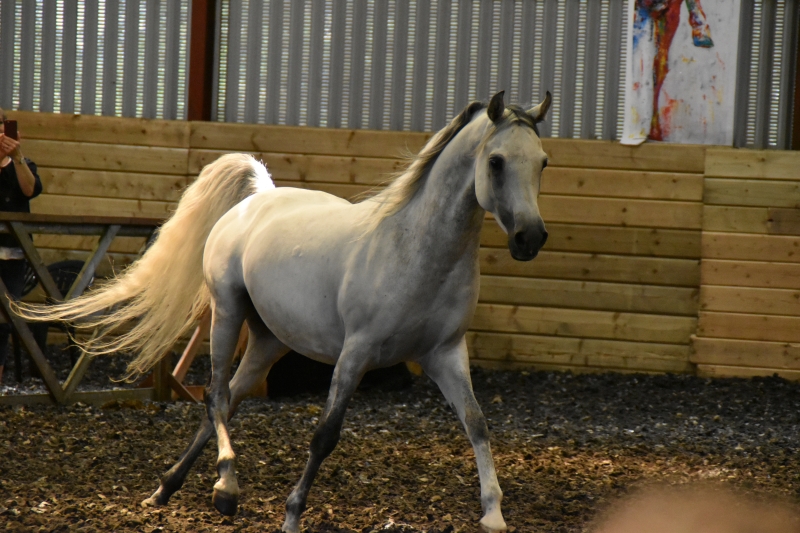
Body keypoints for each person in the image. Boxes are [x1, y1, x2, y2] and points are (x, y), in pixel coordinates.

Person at [0, 108, 42, 383]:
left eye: (4, 128)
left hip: (12, 257)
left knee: (3, 321)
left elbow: (30, 190)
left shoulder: (23, 164)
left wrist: (16, 158)